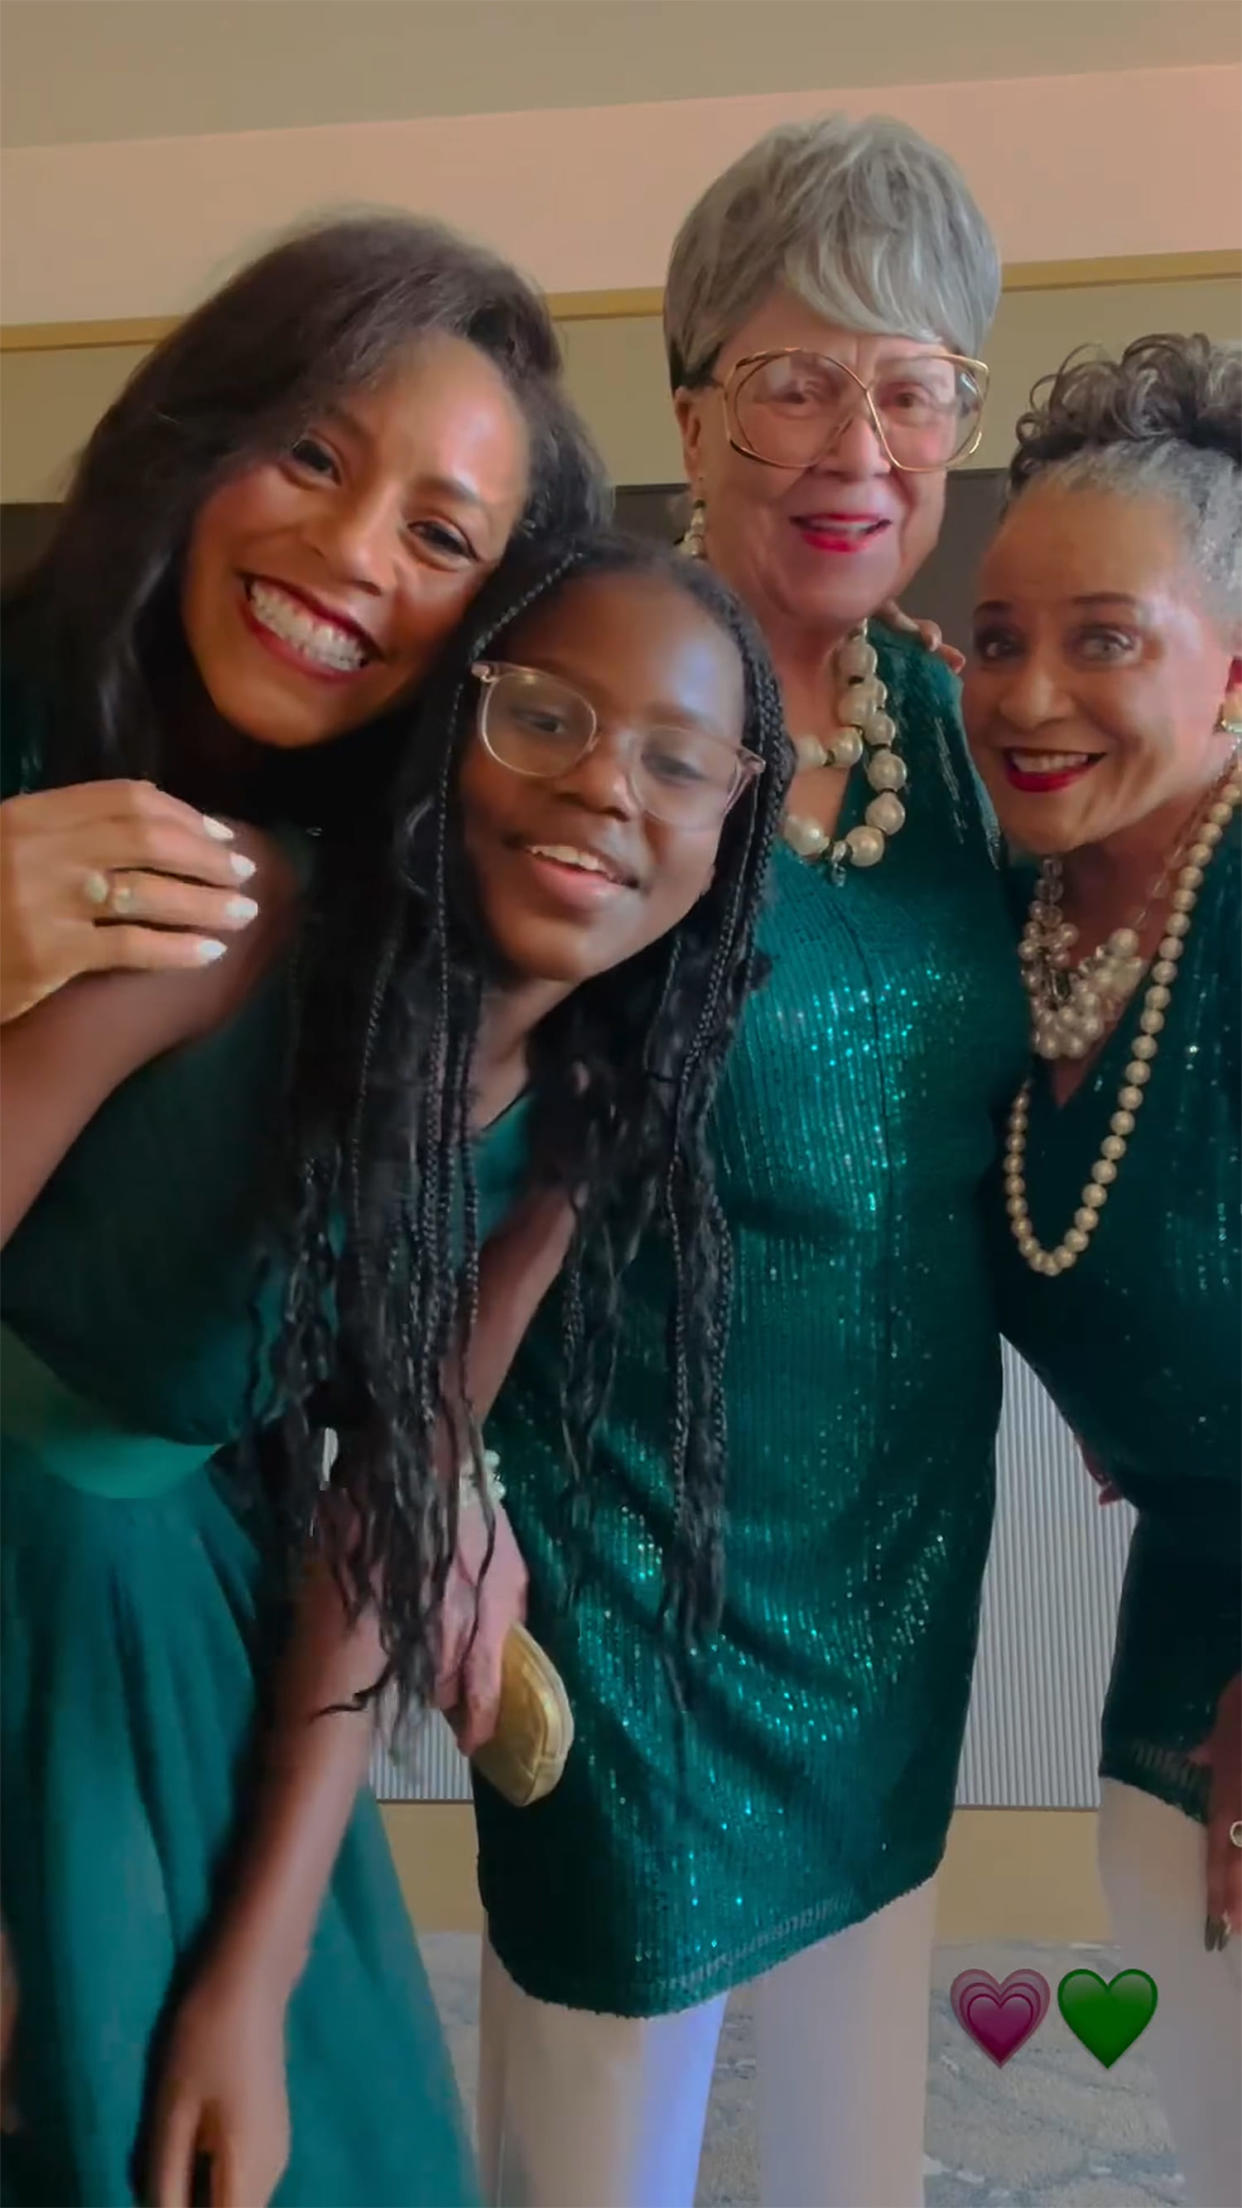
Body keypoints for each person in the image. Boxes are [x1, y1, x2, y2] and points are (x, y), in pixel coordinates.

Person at [1, 512, 788, 2208]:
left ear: (731, 827)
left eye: (677, 761)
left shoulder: (573, 1122)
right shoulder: (227, 926)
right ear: (452, 729)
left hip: (206, 1596)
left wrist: (259, 1970)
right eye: (548, 716)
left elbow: (388, 1520)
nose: (603, 788)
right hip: (11, 1593)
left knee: (322, 2120)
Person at [473, 114, 1027, 2208]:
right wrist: (437, 1484)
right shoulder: (593, 713)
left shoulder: (971, 740)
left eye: (912, 384)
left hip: (895, 1549)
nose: (854, 444)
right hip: (633, 1560)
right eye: (793, 379)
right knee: (601, 2138)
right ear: (689, 405)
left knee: (859, 2137)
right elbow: (445, 1115)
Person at [963, 333, 1241, 2208]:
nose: (1029, 693)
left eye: (1105, 638)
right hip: (1180, 1606)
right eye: (993, 638)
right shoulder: (1006, 923)